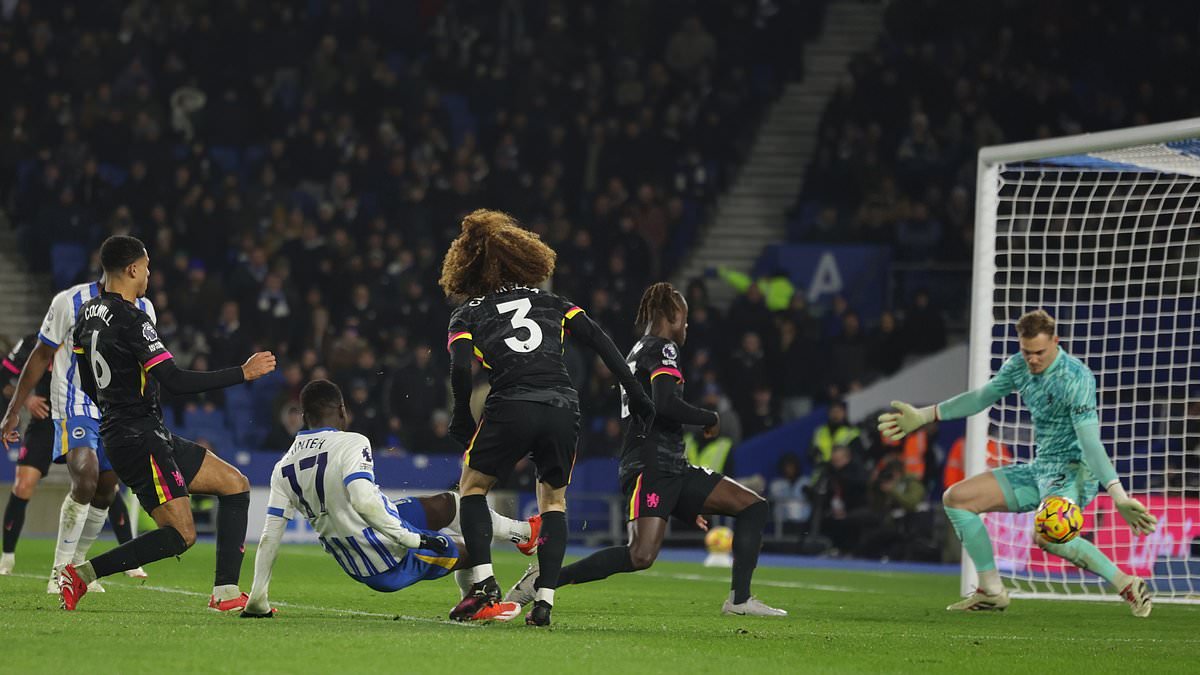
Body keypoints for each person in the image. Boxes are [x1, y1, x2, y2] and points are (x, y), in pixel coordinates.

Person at [505, 282, 785, 616]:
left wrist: (683, 501)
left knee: (753, 506)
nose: (686, 326)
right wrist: (709, 416)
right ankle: (545, 580)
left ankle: (739, 600)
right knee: (640, 555)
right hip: (653, 464)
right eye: (683, 318)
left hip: (670, 465)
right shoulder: (663, 348)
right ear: (670, 315)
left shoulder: (638, 349)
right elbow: (664, 404)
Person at [438, 209, 654, 626]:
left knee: (472, 487)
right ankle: (544, 603)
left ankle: (483, 586)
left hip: (512, 402)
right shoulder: (554, 302)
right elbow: (601, 341)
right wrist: (637, 392)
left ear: (466, 269)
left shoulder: (468, 313)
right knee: (554, 500)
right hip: (562, 404)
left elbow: (461, 368)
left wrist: (461, 415)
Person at [879, 309, 1157, 616]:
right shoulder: (1018, 366)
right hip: (1040, 468)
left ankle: (1126, 584)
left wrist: (1118, 495)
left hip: (1073, 472)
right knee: (957, 499)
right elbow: (980, 397)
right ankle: (991, 590)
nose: (1033, 360)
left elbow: (1090, 442)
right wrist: (925, 415)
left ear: (1056, 341)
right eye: (1027, 352)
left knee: (1048, 532)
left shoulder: (1076, 378)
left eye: (1039, 352)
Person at [55, 235, 277, 611]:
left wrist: (116, 411)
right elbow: (174, 380)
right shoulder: (132, 317)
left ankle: (225, 592)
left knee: (235, 485)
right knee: (180, 535)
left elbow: (88, 381)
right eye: (147, 267)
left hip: (133, 432)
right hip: (139, 436)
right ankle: (81, 575)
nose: (149, 275)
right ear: (132, 269)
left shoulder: (87, 314)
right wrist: (242, 372)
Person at [240, 380, 539, 621]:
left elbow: (270, 536)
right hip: (387, 559)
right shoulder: (351, 442)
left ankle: (524, 534)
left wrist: (257, 598)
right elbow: (364, 501)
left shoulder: (283, 466)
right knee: (474, 546)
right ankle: (476, 603)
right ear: (343, 411)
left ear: (304, 417)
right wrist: (412, 539)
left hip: (362, 550)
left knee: (449, 504)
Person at [0, 277, 157, 592]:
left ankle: (79, 565)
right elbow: (15, 370)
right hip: (62, 411)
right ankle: (22, 559)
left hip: (114, 411)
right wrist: (21, 405)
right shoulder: (56, 318)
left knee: (107, 487)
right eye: (144, 267)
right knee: (60, 481)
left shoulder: (142, 310)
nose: (149, 274)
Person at [0, 333, 142, 577]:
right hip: (44, 421)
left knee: (104, 483)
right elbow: (3, 378)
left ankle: (129, 559)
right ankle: (7, 557)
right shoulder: (35, 342)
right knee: (23, 485)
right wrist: (27, 400)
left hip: (81, 415)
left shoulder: (91, 337)